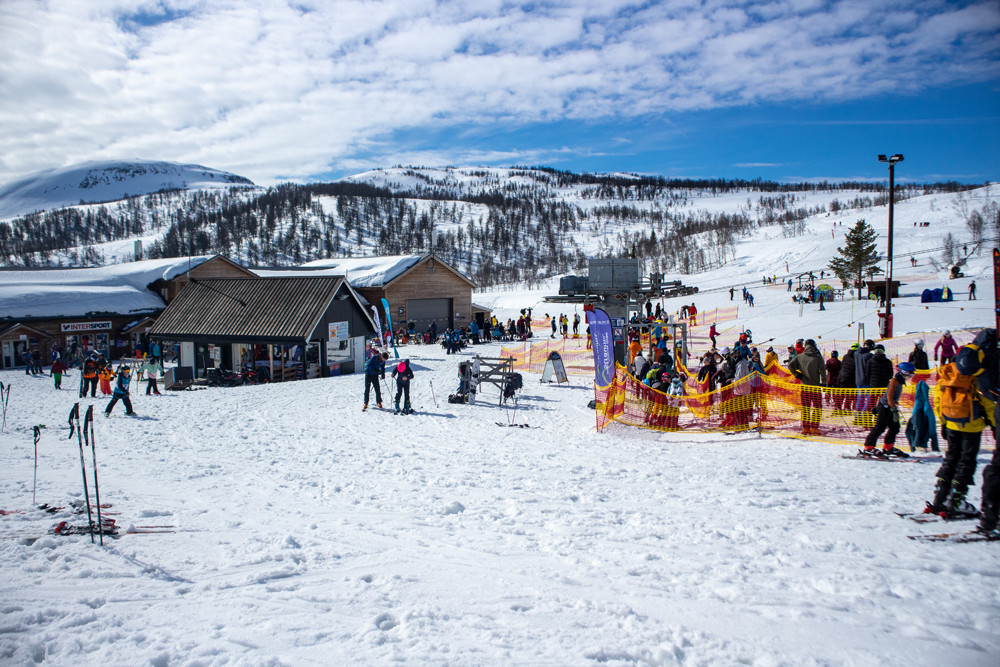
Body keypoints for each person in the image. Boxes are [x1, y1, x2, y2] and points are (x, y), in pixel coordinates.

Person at [926, 360, 994, 515]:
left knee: (950, 459)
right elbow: (988, 401)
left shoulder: (947, 373)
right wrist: (994, 424)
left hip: (951, 423)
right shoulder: (976, 374)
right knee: (967, 460)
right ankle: (957, 500)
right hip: (972, 424)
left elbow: (938, 399)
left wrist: (943, 422)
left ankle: (940, 498)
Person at [861, 362, 916, 457]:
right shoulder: (894, 381)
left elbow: (888, 396)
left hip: (889, 406)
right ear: (904, 372)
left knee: (895, 427)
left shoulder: (900, 381)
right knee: (880, 427)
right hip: (886, 407)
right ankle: (868, 447)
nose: (910, 377)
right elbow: (889, 396)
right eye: (910, 374)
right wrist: (893, 409)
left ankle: (888, 447)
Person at [788, 338, 825, 435]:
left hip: (804, 387)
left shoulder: (800, 356)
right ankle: (814, 427)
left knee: (805, 408)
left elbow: (790, 365)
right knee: (817, 407)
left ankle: (805, 428)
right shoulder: (817, 357)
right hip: (815, 387)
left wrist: (797, 374)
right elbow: (823, 370)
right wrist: (824, 383)